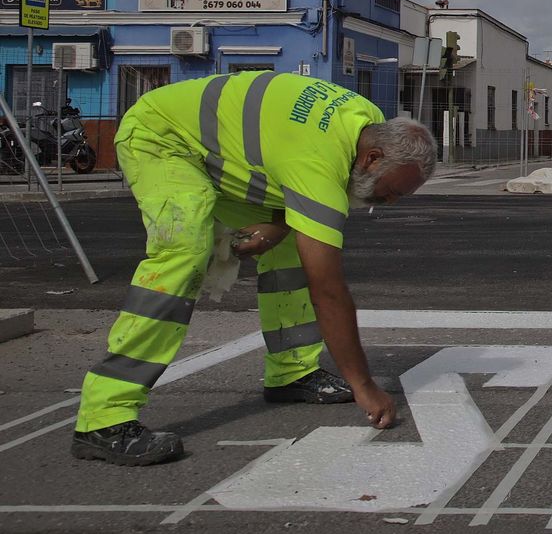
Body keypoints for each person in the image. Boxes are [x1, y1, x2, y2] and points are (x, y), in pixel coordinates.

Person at [71, 72, 437, 466]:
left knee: (295, 244)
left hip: (220, 154)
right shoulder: (319, 159)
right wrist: (363, 385)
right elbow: (328, 289)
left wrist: (277, 225)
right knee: (185, 247)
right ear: (373, 158)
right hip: (160, 138)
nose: (391, 201)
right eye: (394, 191)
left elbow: (292, 168)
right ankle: (104, 417)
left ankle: (291, 373)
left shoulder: (365, 121)